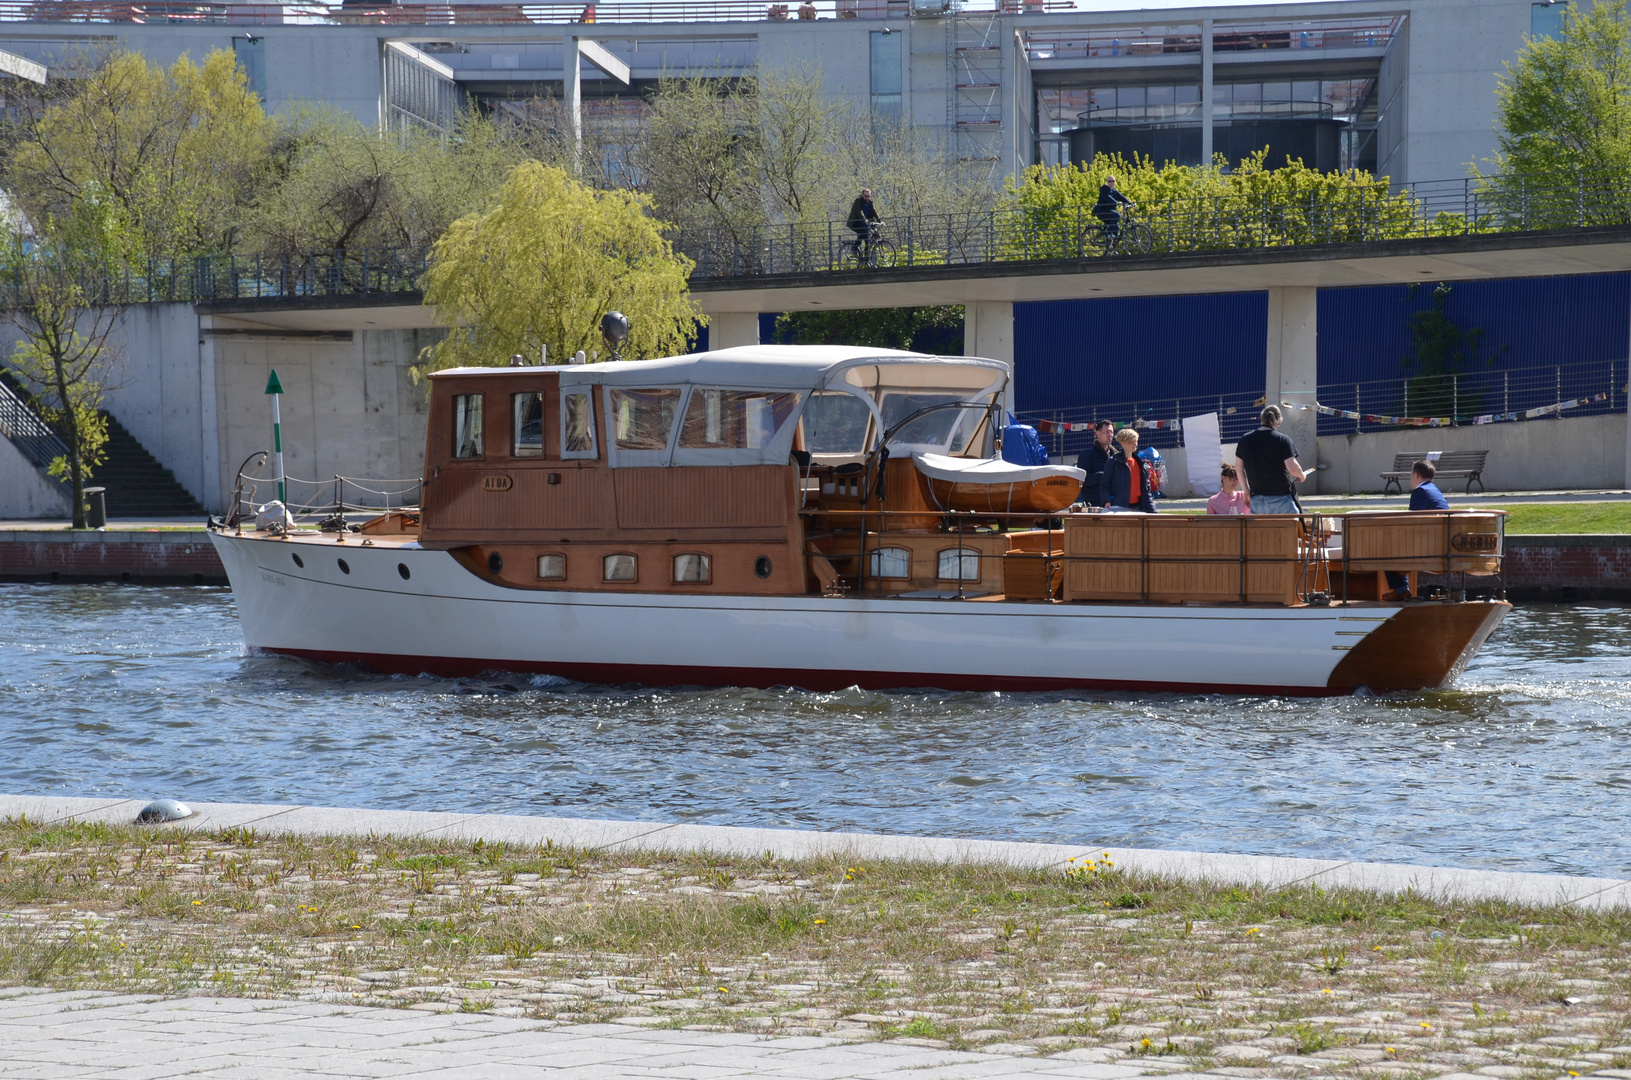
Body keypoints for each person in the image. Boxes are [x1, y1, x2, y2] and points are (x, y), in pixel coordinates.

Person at [1385, 459, 1450, 599]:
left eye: (1410, 476)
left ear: (1416, 475)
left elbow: (1411, 522)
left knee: (1386, 547)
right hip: (1440, 541)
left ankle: (1400, 590)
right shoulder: (1435, 490)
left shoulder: (1420, 491)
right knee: (1395, 545)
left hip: (1427, 544)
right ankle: (1401, 587)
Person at [1234, 405, 1308, 515]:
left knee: (1262, 532)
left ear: (1261, 419)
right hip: (1281, 498)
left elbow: (1239, 468)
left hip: (1257, 499)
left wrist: (1246, 491)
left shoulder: (1244, 440)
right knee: (1291, 530)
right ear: (1279, 422)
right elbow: (1293, 468)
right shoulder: (1282, 440)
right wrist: (1302, 476)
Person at [1099, 427, 1156, 513]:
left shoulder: (1140, 463)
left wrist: (1153, 511)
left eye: (1136, 441)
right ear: (1123, 443)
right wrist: (1106, 501)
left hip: (1139, 506)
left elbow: (1146, 489)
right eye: (1131, 442)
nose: (1135, 444)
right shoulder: (1113, 461)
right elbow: (1104, 485)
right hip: (1119, 507)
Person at [1072, 419, 1116, 502]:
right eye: (1107, 432)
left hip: (1113, 503)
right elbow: (1082, 480)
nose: (1110, 435)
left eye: (1111, 432)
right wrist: (1104, 475)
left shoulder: (1115, 456)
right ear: (1098, 434)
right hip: (1093, 504)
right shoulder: (1087, 455)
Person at [1093, 175, 1135, 245]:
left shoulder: (1114, 191)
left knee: (1117, 227)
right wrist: (1116, 203)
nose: (1112, 183)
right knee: (1117, 215)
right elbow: (1107, 197)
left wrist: (1130, 203)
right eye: (1110, 181)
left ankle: (1112, 247)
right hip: (1102, 212)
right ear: (1107, 182)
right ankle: (1109, 234)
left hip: (1109, 212)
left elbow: (1122, 197)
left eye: (1113, 181)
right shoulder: (1104, 189)